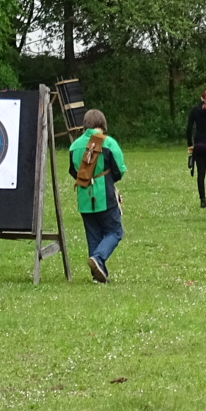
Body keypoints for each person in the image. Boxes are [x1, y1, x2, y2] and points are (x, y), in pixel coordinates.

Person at [69, 109, 126, 282]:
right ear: (102, 124)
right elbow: (119, 170)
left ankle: (98, 276)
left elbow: (74, 172)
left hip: (84, 197)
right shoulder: (108, 143)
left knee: (93, 235)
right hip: (104, 195)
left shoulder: (74, 146)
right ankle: (98, 258)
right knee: (115, 231)